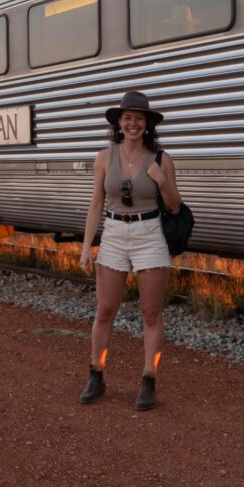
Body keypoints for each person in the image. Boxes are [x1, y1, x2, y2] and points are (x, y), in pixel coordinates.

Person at [77, 90, 182, 411]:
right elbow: (96, 203)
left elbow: (176, 207)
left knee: (151, 312)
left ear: (147, 124)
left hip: (149, 233)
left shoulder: (162, 159)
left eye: (139, 118)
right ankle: (96, 373)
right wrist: (86, 247)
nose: (133, 123)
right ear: (119, 123)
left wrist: (162, 182)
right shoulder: (104, 157)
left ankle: (149, 378)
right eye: (128, 118)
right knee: (105, 310)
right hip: (113, 233)